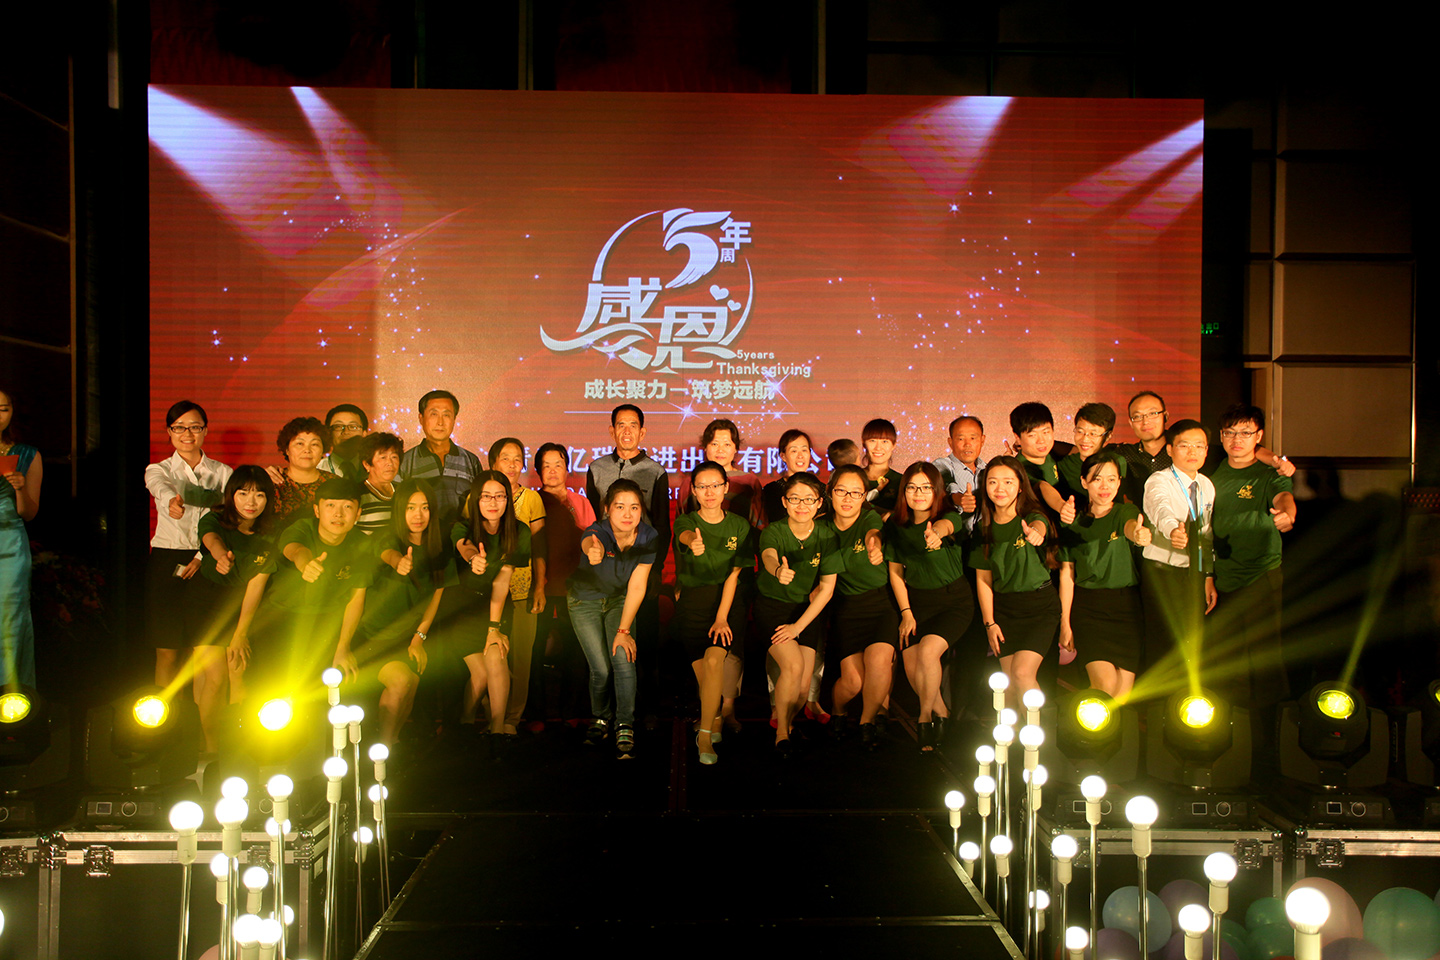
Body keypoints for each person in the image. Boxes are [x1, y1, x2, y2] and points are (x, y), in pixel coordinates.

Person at [1207, 404, 1297, 753]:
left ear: (1258, 436)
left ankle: (1267, 750)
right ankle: (1229, 747)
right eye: (1230, 433)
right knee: (1227, 663)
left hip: (1261, 576)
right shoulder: (1213, 473)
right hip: (1223, 580)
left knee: (1264, 661)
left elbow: (1284, 496)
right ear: (1221, 436)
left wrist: (1287, 514)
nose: (1237, 440)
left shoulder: (1269, 472)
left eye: (1245, 433)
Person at [345, 478, 452, 746]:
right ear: (399, 510)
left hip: (406, 638)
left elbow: (437, 595)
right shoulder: (387, 537)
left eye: (425, 507)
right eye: (410, 508)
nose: (418, 515)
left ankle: (389, 743)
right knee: (401, 681)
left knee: (411, 684)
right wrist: (398, 562)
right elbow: (387, 552)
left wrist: (419, 637)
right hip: (372, 637)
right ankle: (382, 746)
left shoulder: (439, 545)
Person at [247, 477, 374, 698]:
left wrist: (343, 647)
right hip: (280, 618)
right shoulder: (301, 528)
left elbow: (357, 599)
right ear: (317, 510)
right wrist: (305, 564)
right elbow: (295, 548)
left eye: (347, 507)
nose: (338, 514)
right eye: (330, 505)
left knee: (318, 694)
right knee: (271, 692)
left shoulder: (361, 544)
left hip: (325, 623)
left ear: (358, 514)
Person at [584, 405, 669, 721]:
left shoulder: (655, 471)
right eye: (621, 425)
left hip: (642, 567)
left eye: (633, 425)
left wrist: (654, 570)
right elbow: (591, 520)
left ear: (642, 432)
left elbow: (662, 525)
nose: (627, 431)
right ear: (612, 430)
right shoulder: (596, 469)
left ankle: (647, 708)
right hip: (604, 569)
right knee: (606, 641)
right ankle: (605, 710)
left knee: (644, 640)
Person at [145, 401, 233, 690]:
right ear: (169, 432)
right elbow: (159, 486)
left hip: (209, 558)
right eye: (179, 427)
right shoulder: (159, 469)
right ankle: (163, 711)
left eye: (195, 427)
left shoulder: (223, 473)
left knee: (204, 652)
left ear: (205, 431)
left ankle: (201, 711)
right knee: (167, 650)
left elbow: (229, 518)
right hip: (167, 559)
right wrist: (172, 500)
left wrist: (201, 556)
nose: (187, 434)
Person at [885, 462, 972, 752]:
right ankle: (942, 712)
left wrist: (937, 534)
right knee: (911, 664)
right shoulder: (896, 526)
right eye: (912, 487)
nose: (918, 493)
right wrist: (906, 613)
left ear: (937, 491)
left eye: (926, 487)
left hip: (953, 601)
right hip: (916, 603)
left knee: (928, 652)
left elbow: (948, 527)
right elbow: (895, 573)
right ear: (903, 492)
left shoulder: (948, 517)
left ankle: (924, 718)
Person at [673, 461, 753, 764]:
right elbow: (685, 536)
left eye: (715, 485)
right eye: (702, 486)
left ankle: (704, 736)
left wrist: (721, 618)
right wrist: (693, 542)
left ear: (725, 488)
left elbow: (734, 575)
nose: (709, 492)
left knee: (714, 660)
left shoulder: (739, 526)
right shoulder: (686, 521)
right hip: (692, 605)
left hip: (726, 603)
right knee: (705, 676)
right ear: (694, 491)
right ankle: (715, 716)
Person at [755, 472, 841, 757]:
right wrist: (777, 570)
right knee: (792, 666)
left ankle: (789, 723)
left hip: (807, 612)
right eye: (794, 499)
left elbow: (827, 589)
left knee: (803, 687)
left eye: (808, 499)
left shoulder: (827, 536)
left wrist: (798, 627)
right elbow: (768, 555)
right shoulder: (774, 531)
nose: (801, 505)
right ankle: (781, 734)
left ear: (819, 503)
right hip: (773, 607)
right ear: (784, 502)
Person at [572, 479, 658, 759]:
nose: (627, 514)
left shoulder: (648, 536)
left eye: (634, 507)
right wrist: (591, 550)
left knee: (623, 658)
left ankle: (624, 723)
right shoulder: (598, 531)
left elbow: (638, 585)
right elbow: (588, 541)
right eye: (620, 507)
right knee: (600, 669)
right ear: (607, 509)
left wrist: (624, 630)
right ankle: (600, 717)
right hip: (584, 601)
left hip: (619, 600)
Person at [196, 465, 277, 751]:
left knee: (238, 669)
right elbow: (212, 540)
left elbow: (256, 586)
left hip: (240, 604)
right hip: (205, 601)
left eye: (259, 495)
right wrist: (221, 557)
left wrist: (240, 634)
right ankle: (209, 749)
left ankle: (237, 745)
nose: (251, 502)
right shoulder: (214, 519)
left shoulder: (270, 534)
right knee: (215, 677)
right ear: (231, 495)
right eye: (243, 493)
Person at [1057, 452, 1150, 699]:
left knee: (1122, 695)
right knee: (1105, 685)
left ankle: (1090, 722)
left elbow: (1131, 527)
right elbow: (1067, 575)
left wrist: (1138, 534)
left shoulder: (1124, 511)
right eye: (1097, 479)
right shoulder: (1072, 522)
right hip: (1089, 608)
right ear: (1084, 482)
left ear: (1119, 482)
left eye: (1111, 479)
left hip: (1126, 608)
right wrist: (1065, 623)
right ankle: (1075, 718)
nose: (1105, 486)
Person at [445, 472, 530, 739]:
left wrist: (494, 628)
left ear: (508, 499)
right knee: (480, 675)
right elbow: (465, 546)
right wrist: (474, 559)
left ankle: (497, 731)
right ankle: (466, 721)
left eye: (499, 496)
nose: (493, 502)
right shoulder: (462, 527)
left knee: (497, 655)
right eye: (486, 496)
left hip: (497, 606)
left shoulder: (519, 531)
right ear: (476, 500)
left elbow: (502, 581)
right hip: (463, 608)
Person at [973, 456, 1060, 705]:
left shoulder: (1032, 516)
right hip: (1005, 610)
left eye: (1008, 482)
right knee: (1010, 684)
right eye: (993, 482)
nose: (1000, 488)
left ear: (1021, 486)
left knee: (1023, 673)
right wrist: (989, 623)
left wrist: (1036, 534)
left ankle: (1037, 728)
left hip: (1040, 607)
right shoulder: (983, 528)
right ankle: (1016, 730)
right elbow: (983, 579)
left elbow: (1039, 525)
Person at [823, 464, 895, 749]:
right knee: (853, 682)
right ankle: (838, 711)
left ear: (865, 496)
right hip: (847, 609)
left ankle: (867, 721)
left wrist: (874, 546)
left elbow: (872, 534)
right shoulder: (821, 526)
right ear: (830, 492)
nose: (848, 498)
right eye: (841, 491)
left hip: (880, 604)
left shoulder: (869, 518)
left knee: (879, 662)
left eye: (856, 493)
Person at [1140, 419, 1217, 672]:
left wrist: (1208, 575)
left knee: (1192, 642)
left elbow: (1206, 534)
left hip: (1193, 573)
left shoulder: (1206, 485)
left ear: (1206, 450)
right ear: (1170, 449)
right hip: (1162, 571)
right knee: (1163, 643)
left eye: (1199, 446)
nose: (1192, 451)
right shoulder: (1158, 480)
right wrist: (1173, 530)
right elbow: (1160, 508)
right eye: (1184, 445)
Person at [489, 438, 547, 736]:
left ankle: (512, 717)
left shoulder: (532, 499)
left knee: (521, 656)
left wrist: (540, 586)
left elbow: (539, 546)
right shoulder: (479, 496)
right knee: (490, 654)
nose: (512, 465)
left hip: (523, 589)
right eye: (505, 458)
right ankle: (491, 715)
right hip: (487, 592)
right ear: (493, 463)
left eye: (517, 459)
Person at [534, 444, 595, 721]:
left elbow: (593, 541)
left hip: (576, 585)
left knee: (576, 648)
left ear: (568, 469)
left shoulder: (580, 502)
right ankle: (537, 713)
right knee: (536, 649)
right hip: (541, 585)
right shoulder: (533, 502)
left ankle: (572, 711)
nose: (552, 471)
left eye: (558, 464)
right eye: (546, 466)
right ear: (538, 471)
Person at [0, 388, 41, 689]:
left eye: (3, 409)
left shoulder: (26, 454)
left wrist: (19, 487)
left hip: (9, 547)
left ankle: (9, 697)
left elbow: (29, 512)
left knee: (9, 623)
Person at [398, 390, 482, 533]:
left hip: (463, 539)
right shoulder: (405, 462)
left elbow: (480, 504)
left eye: (446, 415)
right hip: (421, 540)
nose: (440, 422)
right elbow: (398, 508)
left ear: (454, 419)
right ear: (421, 418)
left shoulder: (471, 461)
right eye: (434, 414)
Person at [676, 418, 764, 523]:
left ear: (735, 448)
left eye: (727, 444)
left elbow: (759, 521)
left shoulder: (749, 481)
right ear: (705, 447)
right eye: (714, 444)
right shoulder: (690, 482)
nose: (720, 450)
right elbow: (681, 521)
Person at [269, 416, 336, 529]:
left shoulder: (334, 483)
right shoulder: (272, 481)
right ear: (287, 450)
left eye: (314, 444)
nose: (307, 450)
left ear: (322, 451)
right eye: (300, 444)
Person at [1006, 402, 1067, 514]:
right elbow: (1042, 486)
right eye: (1032, 435)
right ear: (1017, 437)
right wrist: (1061, 505)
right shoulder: (1018, 469)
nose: (1041, 441)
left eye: (1046, 432)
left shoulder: (1055, 452)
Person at [1056, 403, 1115, 510]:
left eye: (1093, 434)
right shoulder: (1064, 466)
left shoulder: (1116, 463)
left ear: (1108, 436)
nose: (1085, 439)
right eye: (1080, 432)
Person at [934, 415, 986, 524]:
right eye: (961, 439)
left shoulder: (988, 470)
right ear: (950, 442)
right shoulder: (941, 465)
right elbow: (948, 486)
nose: (967, 444)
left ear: (982, 440)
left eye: (973, 438)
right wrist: (960, 499)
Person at [762, 429, 817, 524]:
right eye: (794, 451)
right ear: (783, 456)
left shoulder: (820, 489)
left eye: (804, 450)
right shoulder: (771, 490)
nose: (800, 456)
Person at [357, 432, 404, 534]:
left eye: (394, 457)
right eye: (383, 457)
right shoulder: (357, 494)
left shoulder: (403, 491)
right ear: (367, 464)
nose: (390, 463)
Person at [861, 418, 903, 518]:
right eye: (872, 440)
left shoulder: (901, 481)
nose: (878, 448)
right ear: (864, 444)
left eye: (885, 441)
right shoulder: (853, 477)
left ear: (894, 445)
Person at [321, 403, 370, 479]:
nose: (346, 432)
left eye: (353, 427)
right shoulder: (317, 468)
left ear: (364, 433)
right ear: (328, 432)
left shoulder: (375, 469)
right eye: (338, 426)